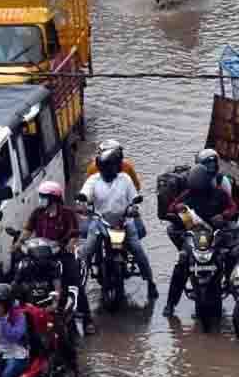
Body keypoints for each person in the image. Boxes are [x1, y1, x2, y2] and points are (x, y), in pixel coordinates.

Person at [13, 180, 96, 338]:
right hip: (40, 255)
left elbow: (74, 233)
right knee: (21, 275)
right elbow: (27, 230)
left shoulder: (67, 214)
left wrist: (71, 244)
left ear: (54, 198)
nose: (41, 200)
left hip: (62, 254)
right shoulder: (37, 212)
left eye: (44, 197)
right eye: (41, 196)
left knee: (75, 283)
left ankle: (87, 319)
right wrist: (18, 244)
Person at [78, 146, 158, 302]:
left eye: (110, 167)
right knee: (87, 250)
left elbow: (134, 198)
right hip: (100, 221)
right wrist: (82, 202)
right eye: (104, 168)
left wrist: (133, 208)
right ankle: (79, 284)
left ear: (116, 166)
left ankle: (150, 282)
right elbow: (85, 193)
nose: (107, 171)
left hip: (124, 222)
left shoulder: (125, 179)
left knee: (137, 249)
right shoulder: (93, 180)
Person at [162, 164, 239, 318]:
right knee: (182, 263)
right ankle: (170, 304)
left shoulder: (220, 193)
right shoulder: (187, 195)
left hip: (216, 235)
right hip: (194, 236)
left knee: (231, 257)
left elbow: (233, 208)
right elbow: (171, 209)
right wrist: (177, 211)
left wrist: (223, 216)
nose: (197, 193)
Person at [84, 140, 146, 239]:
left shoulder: (126, 167)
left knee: (140, 231)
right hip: (102, 208)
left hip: (120, 207)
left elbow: (135, 188)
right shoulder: (126, 166)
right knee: (86, 232)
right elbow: (137, 186)